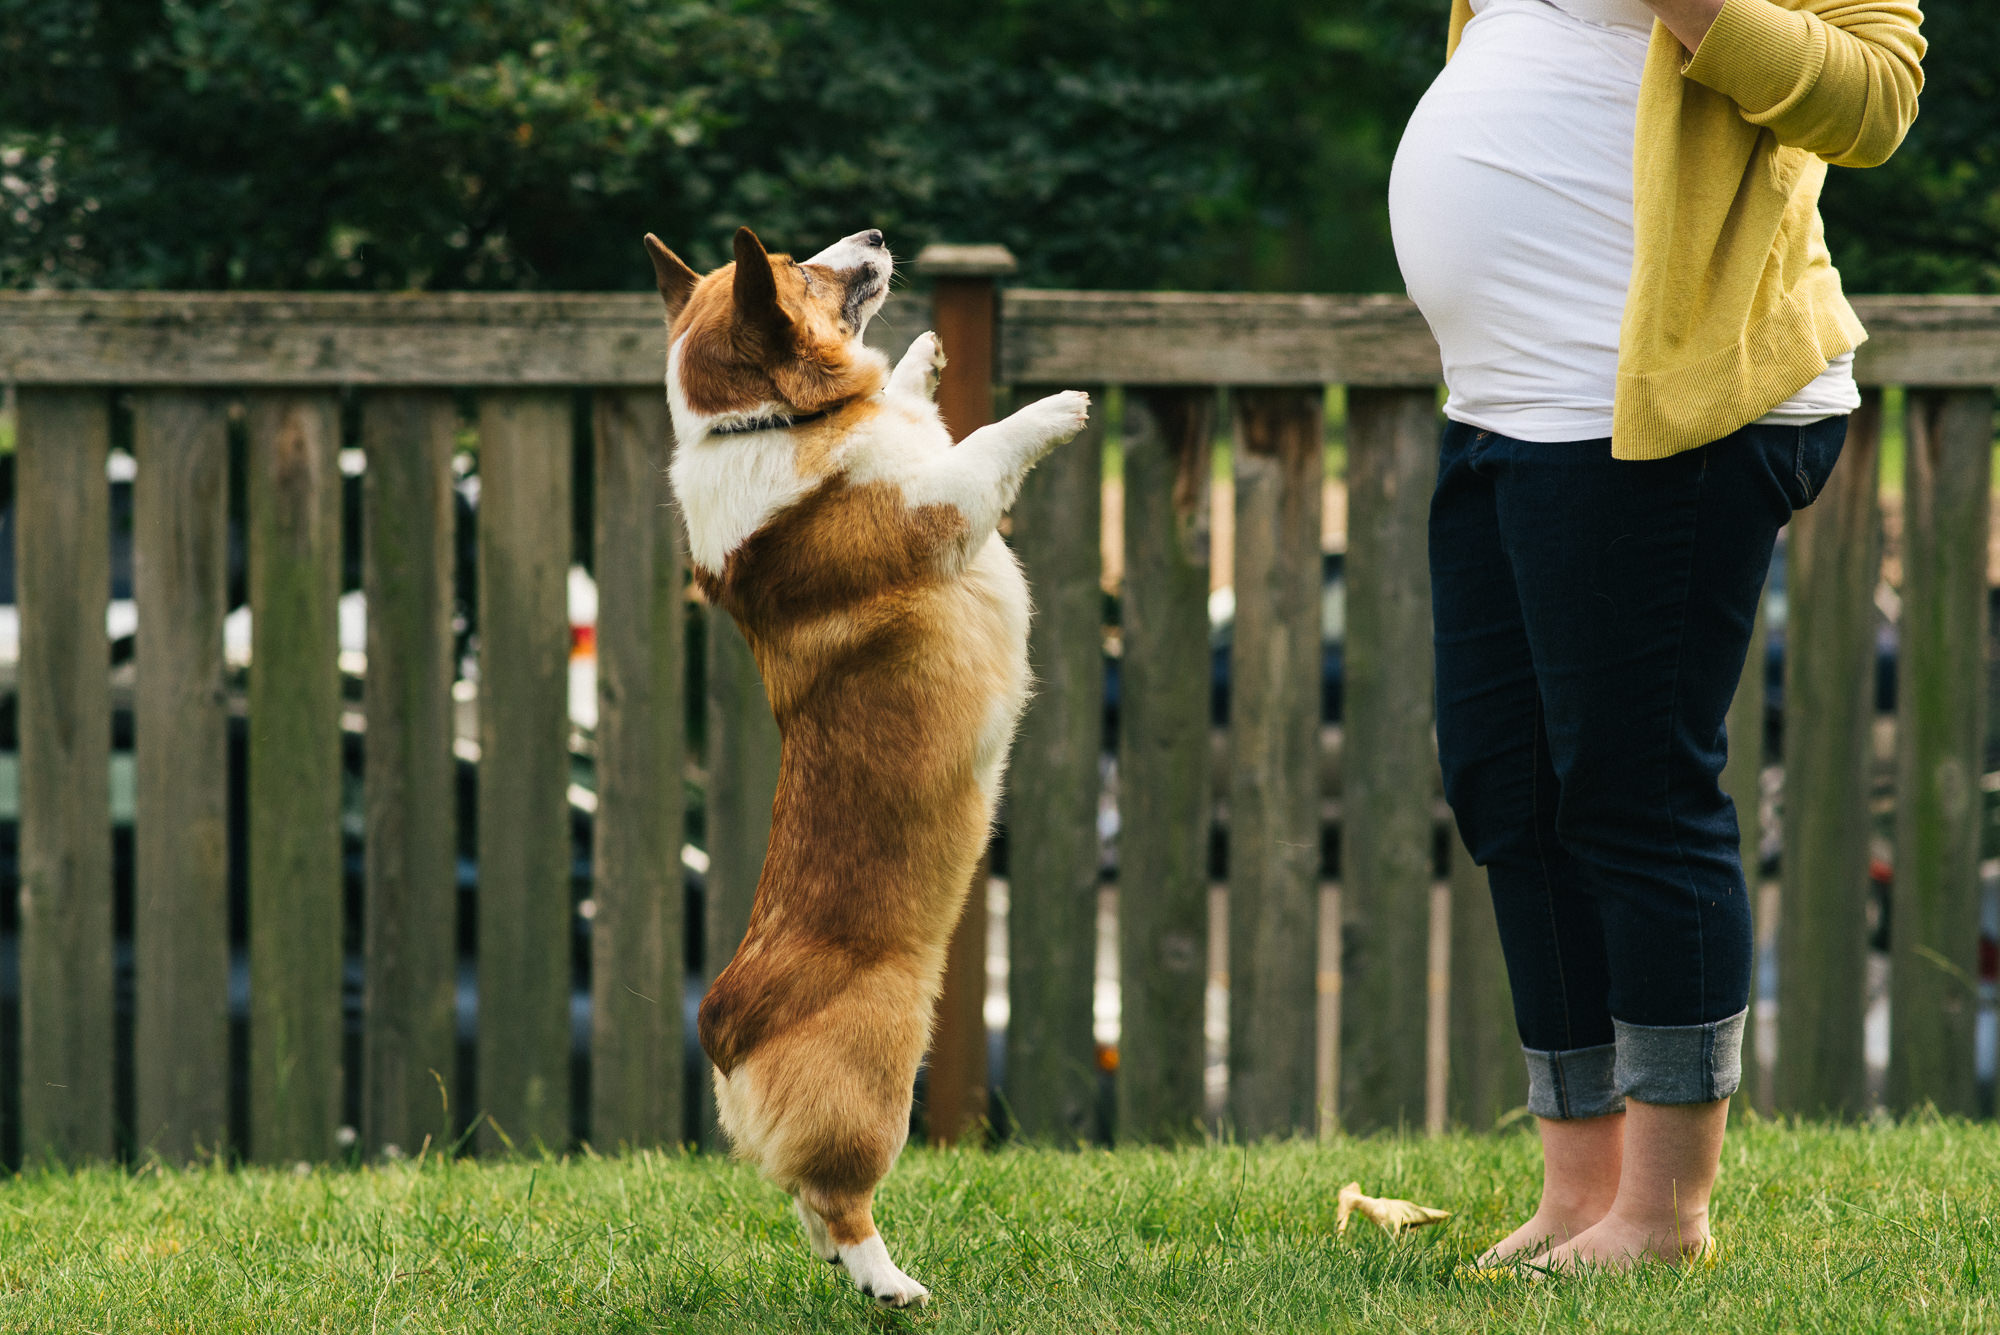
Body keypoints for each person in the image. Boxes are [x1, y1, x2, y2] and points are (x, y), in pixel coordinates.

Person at [1387, 0, 1925, 1269]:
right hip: (1504, 400)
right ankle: (1581, 1193)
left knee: (1634, 790)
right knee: (1505, 786)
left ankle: (1665, 1212)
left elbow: (1872, 100)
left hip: (1664, 408)